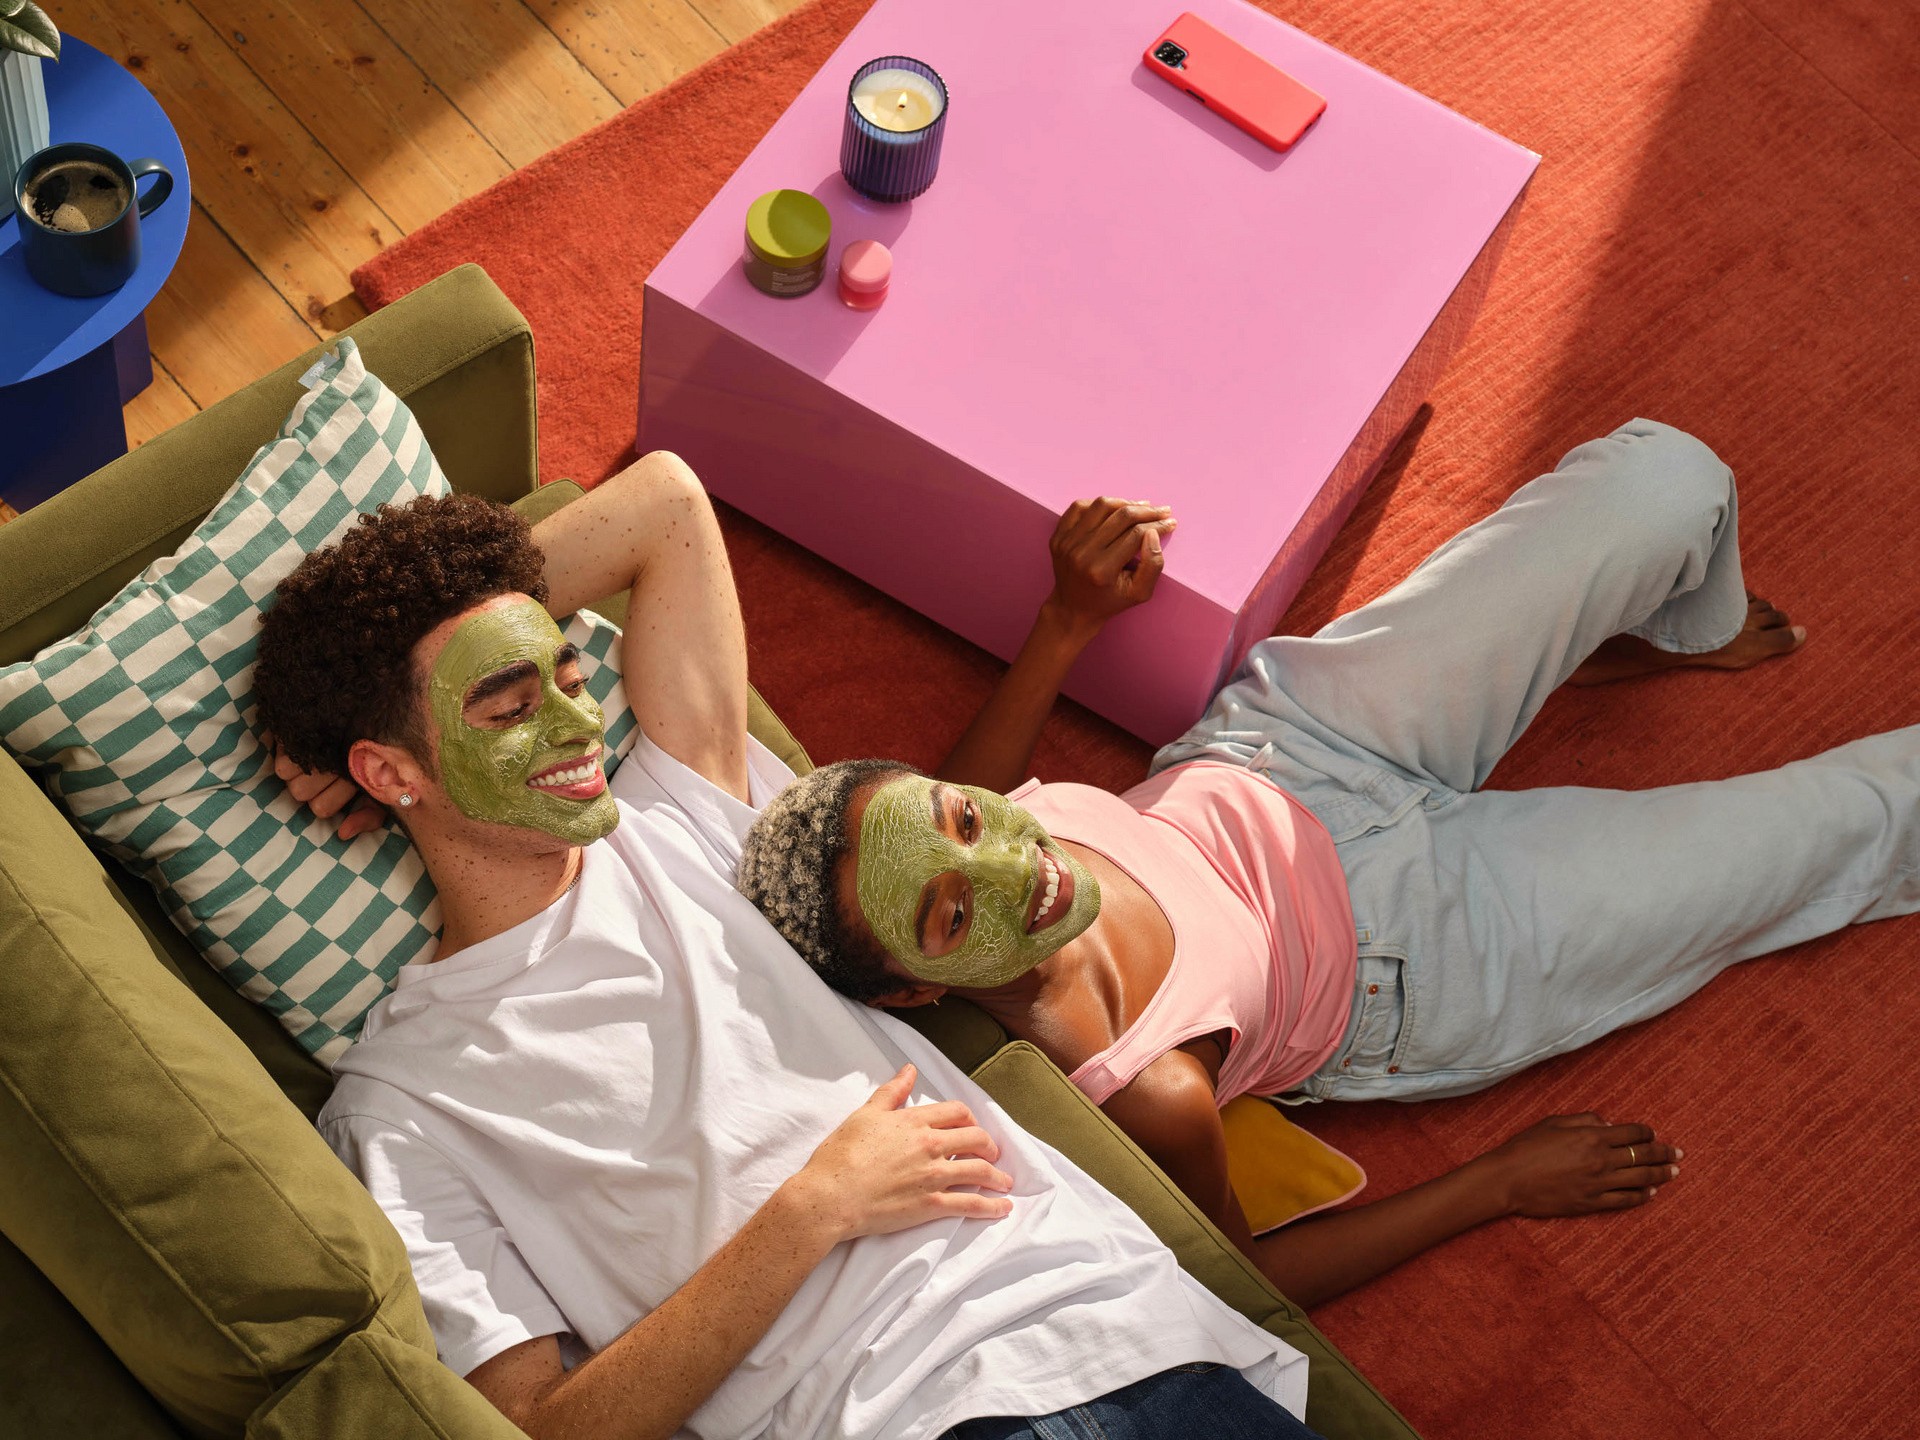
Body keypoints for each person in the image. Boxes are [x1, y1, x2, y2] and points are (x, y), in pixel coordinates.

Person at [255, 452, 1326, 1440]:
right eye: (506, 707)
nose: (581, 731)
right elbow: (540, 1430)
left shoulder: (682, 821)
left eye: (572, 681)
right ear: (390, 777)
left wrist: (434, 673)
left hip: (1124, 1331)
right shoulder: (400, 1109)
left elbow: (668, 503)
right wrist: (813, 1210)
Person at [735, 419, 1918, 1309]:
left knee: (1671, 483)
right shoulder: (1144, 1088)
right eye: (948, 917)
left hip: (1295, 743)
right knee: (1828, 828)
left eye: (959, 819)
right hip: (1419, 959)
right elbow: (1239, 1273)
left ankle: (1661, 643)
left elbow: (969, 789)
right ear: (914, 992)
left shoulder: (962, 839)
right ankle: (1579, 680)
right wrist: (1494, 1184)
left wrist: (1066, 618)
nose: (1010, 863)